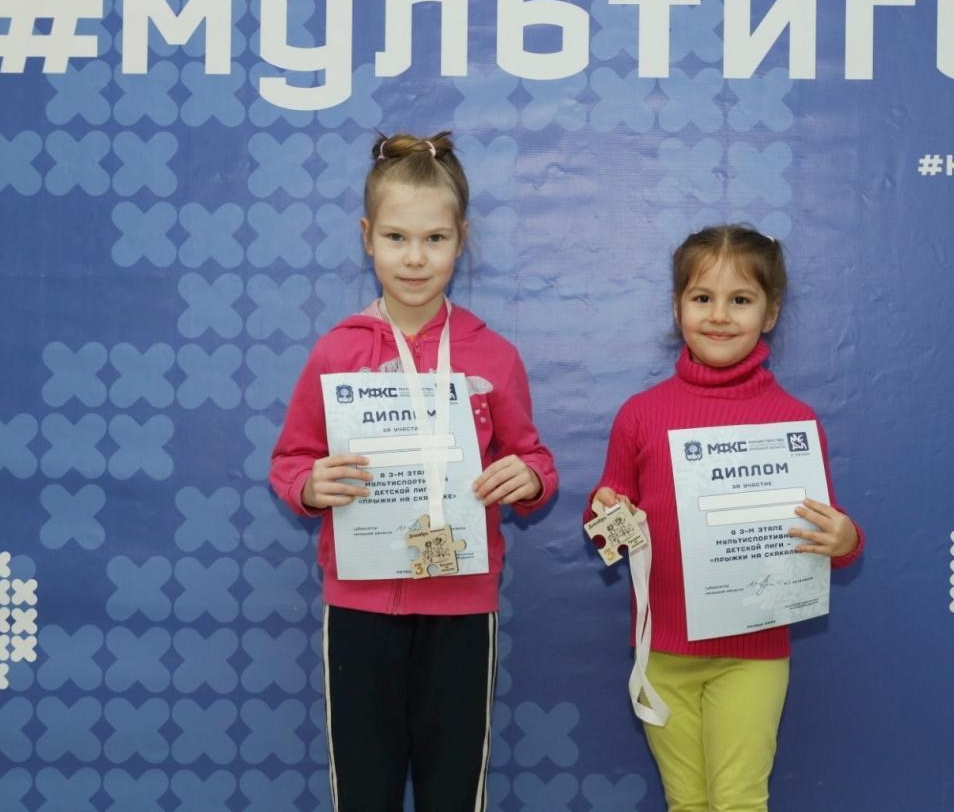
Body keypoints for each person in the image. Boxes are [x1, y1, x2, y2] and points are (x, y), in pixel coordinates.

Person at [270, 131, 557, 812]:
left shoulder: (493, 354)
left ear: (462, 240)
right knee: (364, 789)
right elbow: (291, 460)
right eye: (397, 237)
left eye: (435, 238)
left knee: (452, 788)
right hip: (360, 603)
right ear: (367, 238)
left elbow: (533, 456)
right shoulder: (336, 352)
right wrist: (309, 486)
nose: (416, 257)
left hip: (462, 605)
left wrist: (529, 479)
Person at [586, 224, 863, 812]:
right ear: (677, 306)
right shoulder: (640, 415)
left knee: (738, 802)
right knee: (687, 802)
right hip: (663, 650)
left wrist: (845, 539)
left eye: (740, 299)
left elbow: (828, 533)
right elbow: (608, 526)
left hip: (752, 652)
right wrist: (609, 514)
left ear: (771, 313)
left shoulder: (795, 423)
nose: (718, 315)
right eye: (702, 297)